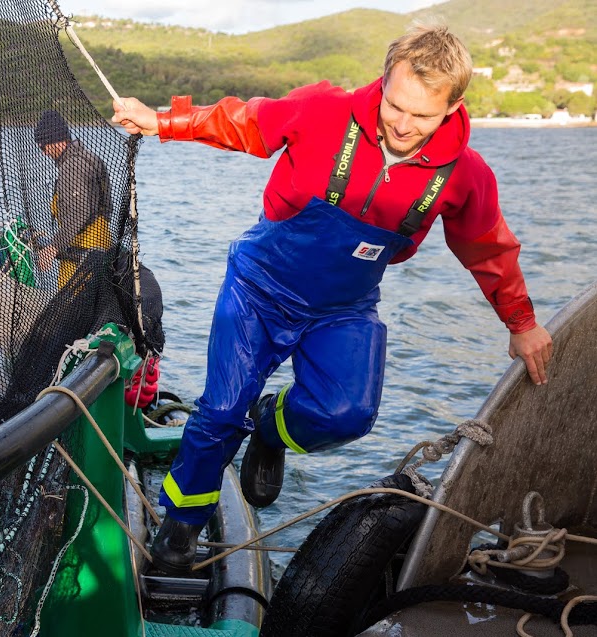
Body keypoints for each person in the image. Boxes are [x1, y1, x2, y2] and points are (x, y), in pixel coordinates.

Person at [111, 24, 554, 575]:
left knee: (348, 413)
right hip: (259, 288)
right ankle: (181, 523)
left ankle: (270, 428)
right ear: (383, 83)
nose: (402, 125)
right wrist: (162, 122)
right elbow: (244, 121)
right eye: (395, 105)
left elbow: (489, 249)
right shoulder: (324, 111)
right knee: (219, 413)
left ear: (453, 107)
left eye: (421, 115)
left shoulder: (466, 176)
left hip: (344, 307)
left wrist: (521, 321)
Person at [33, 109, 114, 289]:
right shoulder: (89, 158)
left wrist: (53, 248)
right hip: (102, 244)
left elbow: (80, 212)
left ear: (57, 141)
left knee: (71, 300)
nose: (44, 153)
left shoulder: (72, 166)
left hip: (84, 252)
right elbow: (107, 206)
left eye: (43, 147)